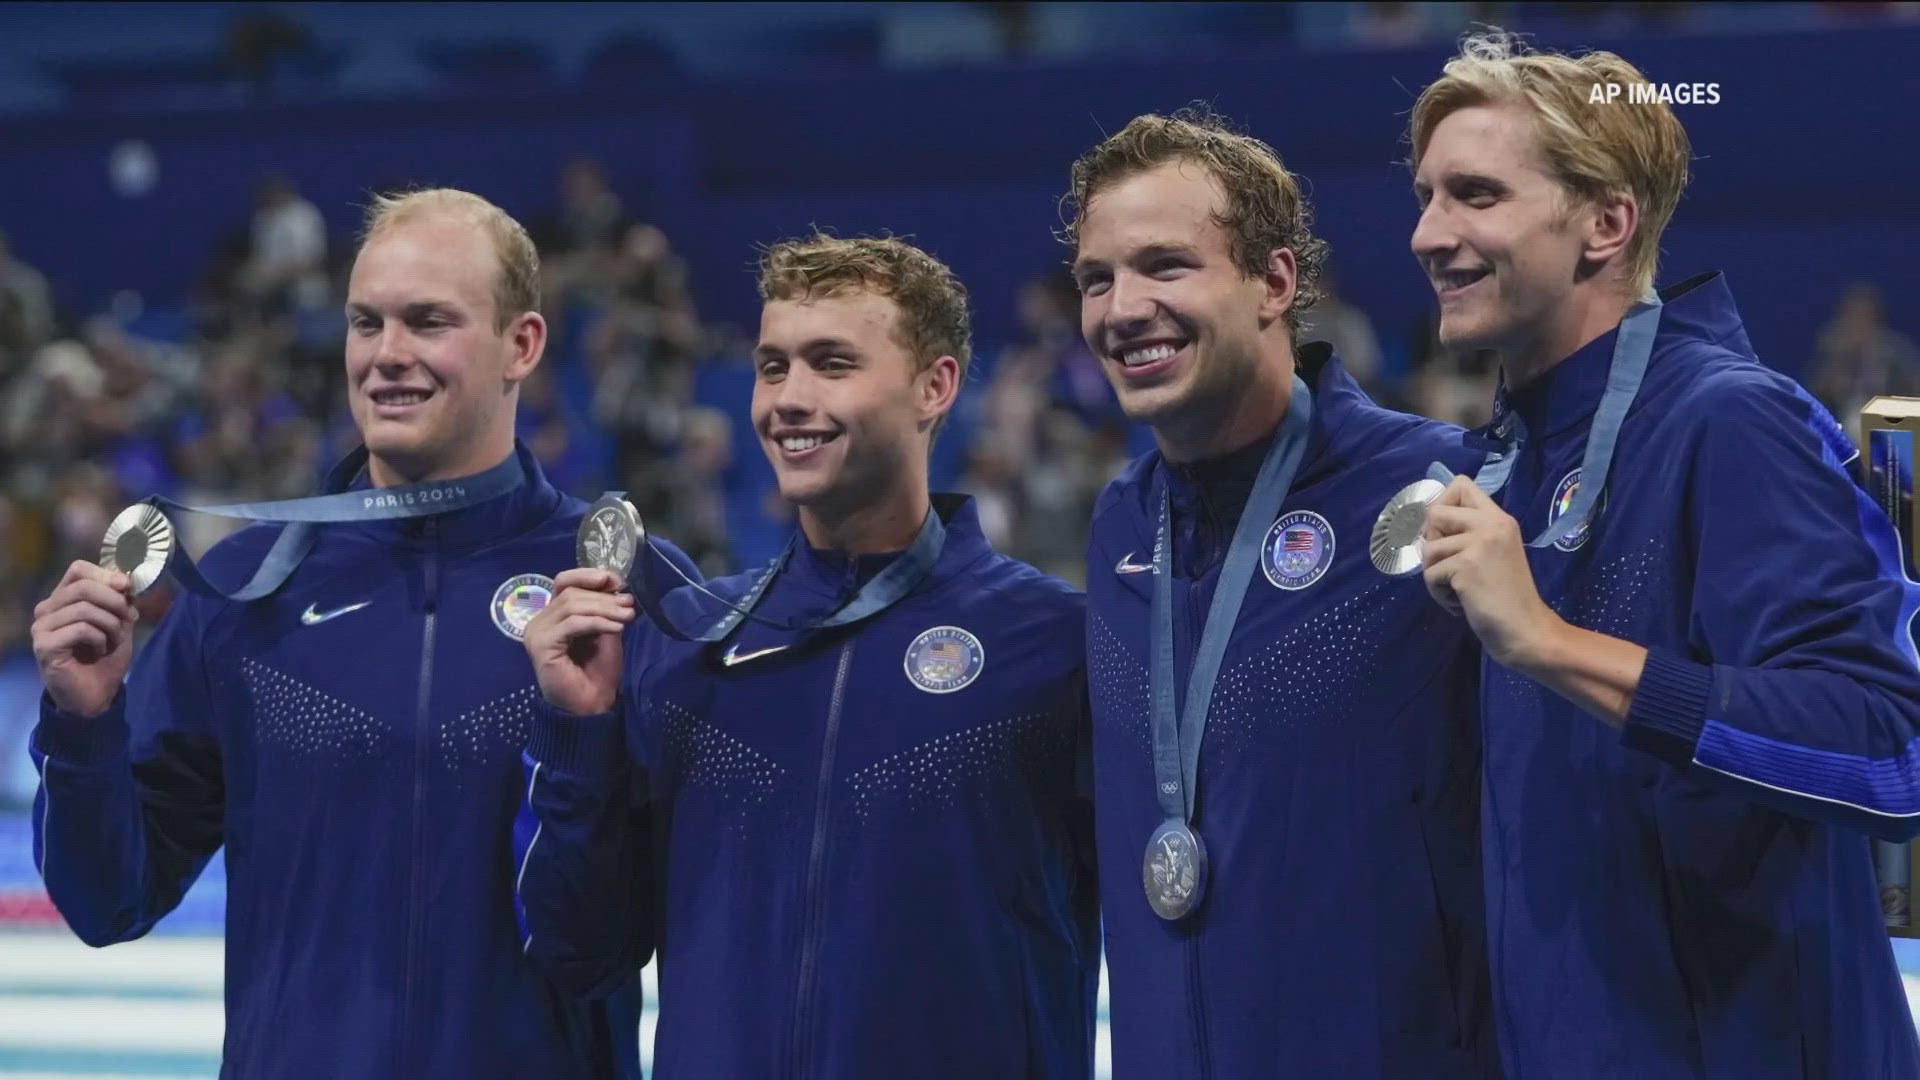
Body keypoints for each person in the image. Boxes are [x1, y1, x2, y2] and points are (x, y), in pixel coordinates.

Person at [26, 188, 687, 1078]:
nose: (388, 356)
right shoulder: (244, 591)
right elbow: (107, 901)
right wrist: (82, 728)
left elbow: (670, 922)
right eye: (365, 323)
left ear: (521, 345)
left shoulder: (623, 590)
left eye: (428, 322)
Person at [1408, 32, 1920, 1077]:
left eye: (1474, 195)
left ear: (1606, 223)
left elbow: (1891, 748)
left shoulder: (1732, 422)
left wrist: (1552, 644)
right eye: (1424, 197)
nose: (1428, 233)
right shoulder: (1502, 461)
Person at [517, 233, 1098, 1078]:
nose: (788, 398)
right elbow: (581, 954)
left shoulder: (1051, 643)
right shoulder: (686, 642)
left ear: (934, 387)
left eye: (832, 364)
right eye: (772, 366)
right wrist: (578, 735)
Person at [1068, 109, 1497, 1078]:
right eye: (1098, 279)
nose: (1123, 307)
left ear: (1275, 282)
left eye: (1165, 265)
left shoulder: (1442, 490)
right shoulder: (1121, 526)